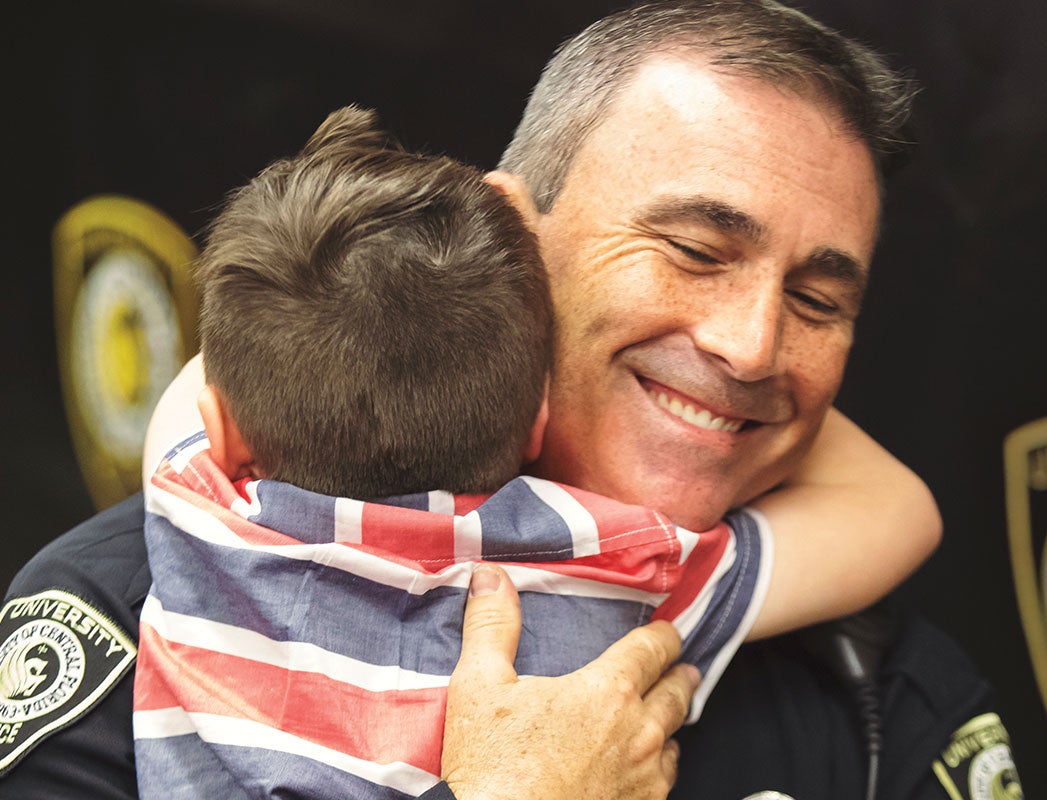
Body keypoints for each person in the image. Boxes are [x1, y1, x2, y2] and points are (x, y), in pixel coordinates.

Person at [1, 1, 1017, 798]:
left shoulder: (876, 680)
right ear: (511, 228)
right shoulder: (121, 613)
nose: (752, 344)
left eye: (816, 298)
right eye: (697, 251)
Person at [133, 104, 774, 798]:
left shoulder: (195, 506)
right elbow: (895, 511)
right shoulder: (609, 563)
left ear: (225, 436)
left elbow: (215, 396)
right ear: (538, 420)